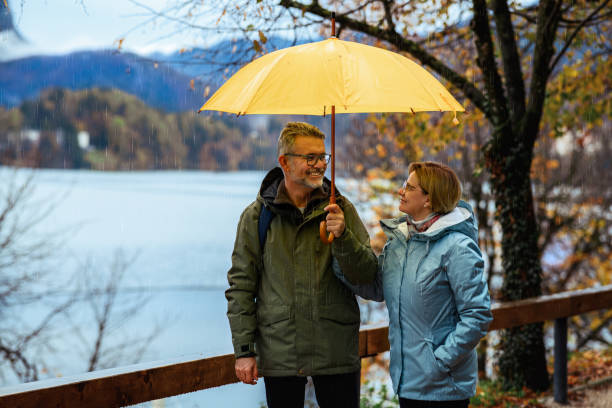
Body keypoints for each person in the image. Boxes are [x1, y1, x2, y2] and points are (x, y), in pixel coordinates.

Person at [225, 122, 378, 408]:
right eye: (310, 158)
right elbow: (241, 287)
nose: (320, 164)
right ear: (284, 161)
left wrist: (343, 236)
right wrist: (244, 350)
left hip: (335, 349)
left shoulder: (341, 209)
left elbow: (367, 274)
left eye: (323, 157)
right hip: (281, 352)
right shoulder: (257, 217)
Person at [336, 161, 492, 408]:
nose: (401, 191)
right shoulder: (400, 241)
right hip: (407, 381)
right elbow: (377, 288)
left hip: (443, 387)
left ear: (428, 200)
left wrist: (439, 362)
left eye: (409, 187)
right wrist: (338, 255)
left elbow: (477, 315)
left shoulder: (457, 247)